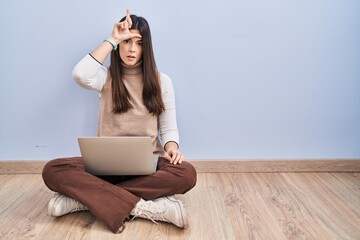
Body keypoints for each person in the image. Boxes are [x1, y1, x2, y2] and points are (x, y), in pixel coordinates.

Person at [42, 9, 197, 234]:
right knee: (52, 170)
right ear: (118, 46)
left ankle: (84, 201)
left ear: (147, 47)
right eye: (126, 42)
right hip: (104, 168)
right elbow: (79, 74)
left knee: (187, 174)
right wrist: (113, 38)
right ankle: (147, 207)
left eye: (139, 43)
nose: (132, 49)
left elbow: (169, 129)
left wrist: (172, 148)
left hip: (148, 167)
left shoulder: (162, 81)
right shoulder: (105, 77)